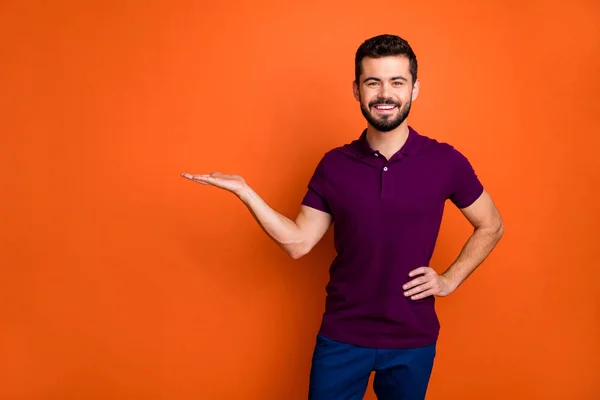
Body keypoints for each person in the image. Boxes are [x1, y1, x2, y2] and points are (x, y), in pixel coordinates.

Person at [182, 34, 504, 400]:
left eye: (397, 82)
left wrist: (450, 279)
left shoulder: (446, 161)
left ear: (414, 89)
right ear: (357, 90)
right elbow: (299, 243)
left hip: (412, 338)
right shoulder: (335, 165)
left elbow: (491, 223)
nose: (385, 93)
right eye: (373, 82)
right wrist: (245, 191)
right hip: (342, 336)